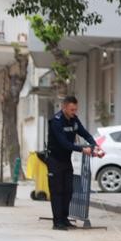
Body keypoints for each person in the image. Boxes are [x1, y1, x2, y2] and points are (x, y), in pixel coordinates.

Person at [46, 96, 102, 230]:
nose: (74, 112)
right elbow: (64, 143)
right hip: (54, 160)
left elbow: (85, 134)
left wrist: (94, 145)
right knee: (57, 191)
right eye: (71, 109)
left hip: (66, 160)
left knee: (69, 190)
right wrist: (82, 149)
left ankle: (64, 219)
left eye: (75, 109)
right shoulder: (56, 121)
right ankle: (57, 222)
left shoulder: (74, 120)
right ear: (64, 107)